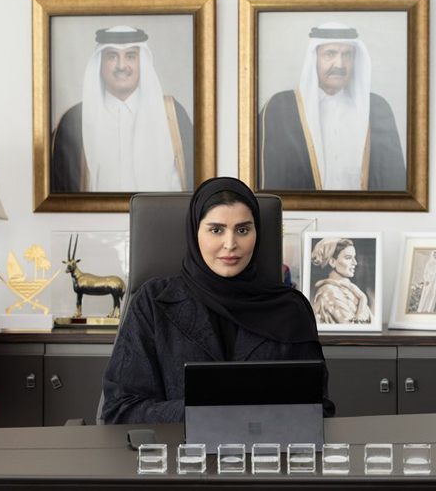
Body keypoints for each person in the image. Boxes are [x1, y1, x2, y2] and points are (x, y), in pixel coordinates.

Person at [100, 177, 335, 424]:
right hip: (177, 456)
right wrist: (208, 413)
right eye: (216, 230)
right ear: (195, 233)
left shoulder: (290, 308)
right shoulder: (154, 301)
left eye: (242, 230)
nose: (230, 244)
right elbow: (120, 410)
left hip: (268, 457)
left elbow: (318, 411)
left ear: (257, 233)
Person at [257, 22, 405, 191]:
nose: (340, 64)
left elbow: (393, 180)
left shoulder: (377, 108)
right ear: (314, 59)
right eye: (330, 54)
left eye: (347, 55)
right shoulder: (280, 108)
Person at [51, 25, 193, 192]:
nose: (121, 66)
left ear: (142, 62)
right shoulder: (74, 120)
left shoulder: (171, 115)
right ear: (100, 63)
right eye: (112, 56)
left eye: (131, 56)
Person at [310, 238, 372, 325]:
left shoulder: (349, 288)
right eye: (348, 258)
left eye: (354, 257)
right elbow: (353, 329)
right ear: (332, 262)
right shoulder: (329, 291)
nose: (355, 263)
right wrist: (363, 299)